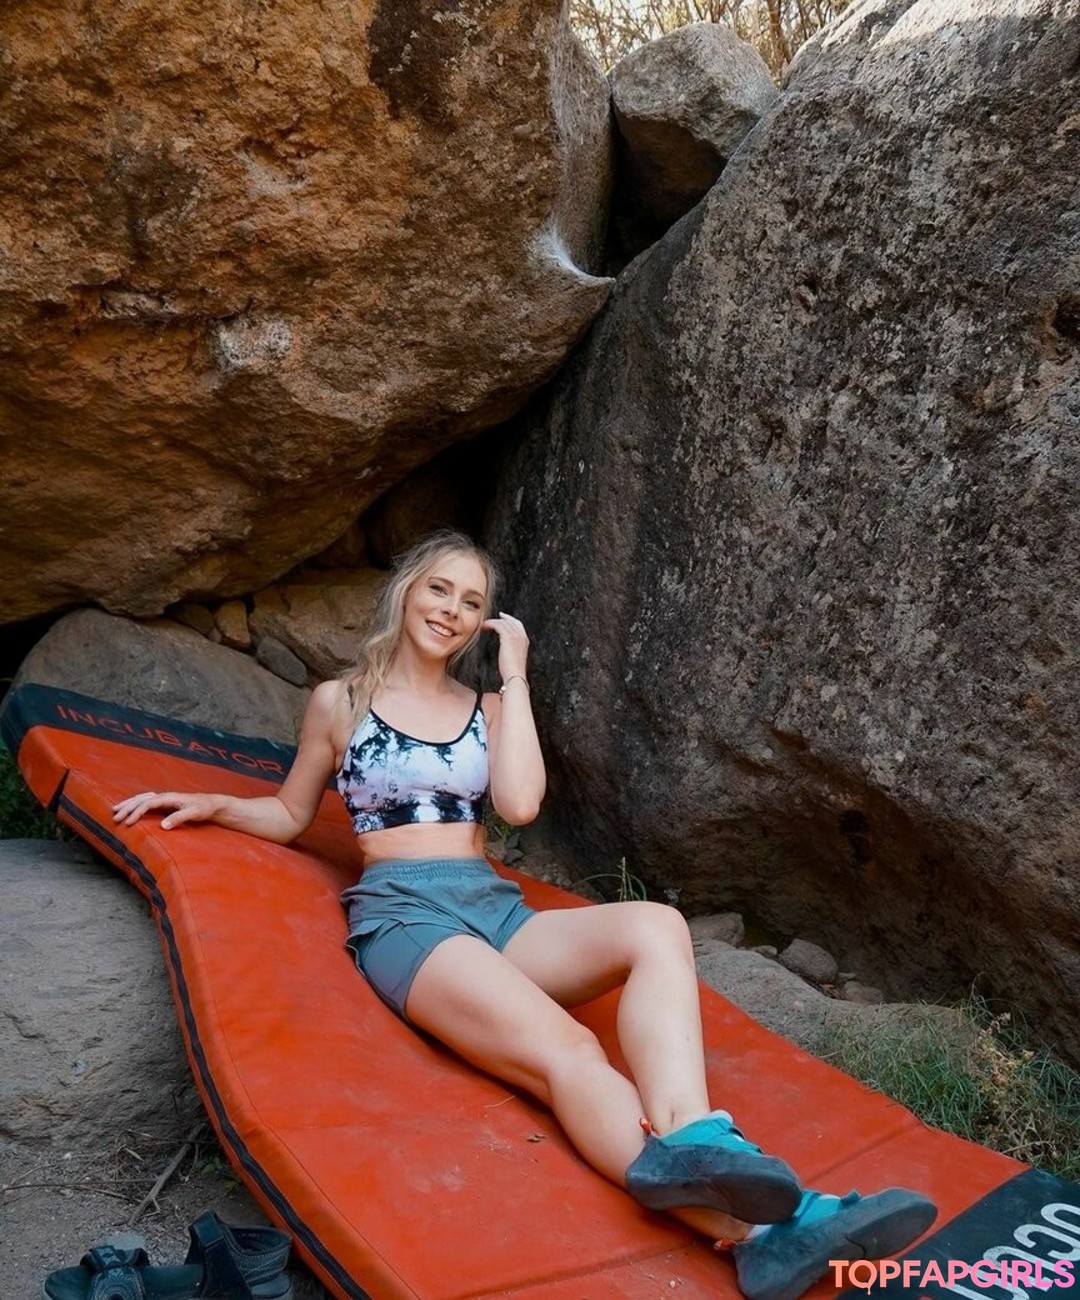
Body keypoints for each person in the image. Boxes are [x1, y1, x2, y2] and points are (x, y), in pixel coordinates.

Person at [113, 530, 936, 1300]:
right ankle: (759, 1231)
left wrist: (516, 679)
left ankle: (695, 1136)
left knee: (657, 926)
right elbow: (292, 813)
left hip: (493, 908)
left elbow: (519, 803)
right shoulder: (341, 701)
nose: (451, 610)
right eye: (439, 590)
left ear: (484, 622)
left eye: (471, 602)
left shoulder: (491, 706)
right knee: (570, 1050)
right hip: (407, 920)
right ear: (407, 592)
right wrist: (213, 804)